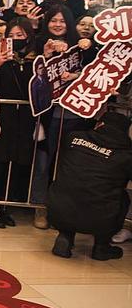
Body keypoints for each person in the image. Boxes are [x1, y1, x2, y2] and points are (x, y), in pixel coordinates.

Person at [49, 110, 132, 261]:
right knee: (123, 198)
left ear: (100, 124)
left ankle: (65, 236)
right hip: (99, 216)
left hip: (58, 210)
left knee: (72, 184)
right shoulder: (126, 155)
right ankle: (101, 246)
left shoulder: (73, 138)